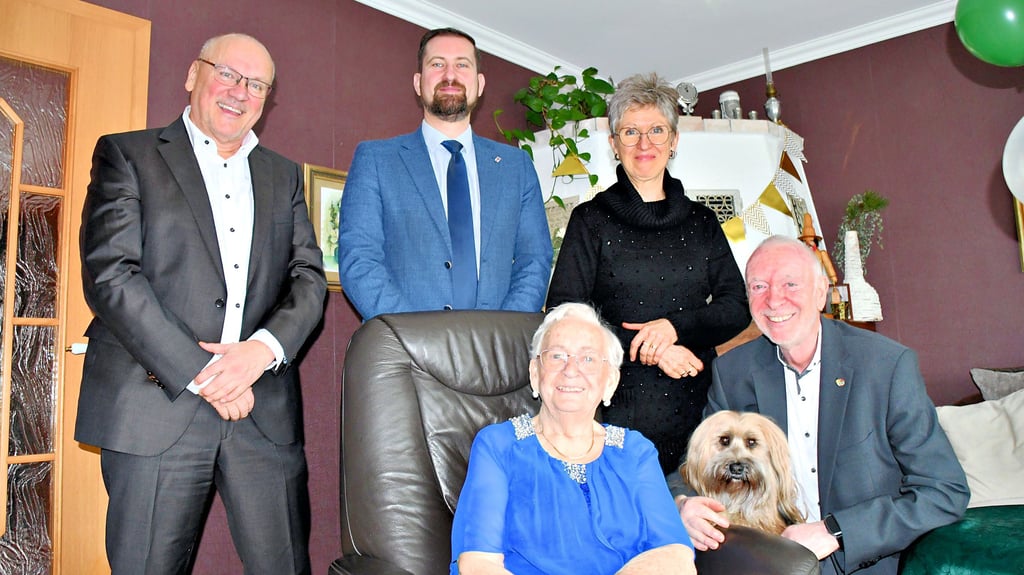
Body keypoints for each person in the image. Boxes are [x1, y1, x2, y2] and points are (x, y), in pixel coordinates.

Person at [76, 33, 326, 574]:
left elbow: (307, 277)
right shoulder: (128, 154)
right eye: (229, 74)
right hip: (154, 405)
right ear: (194, 74)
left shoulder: (283, 175)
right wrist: (207, 372)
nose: (240, 92)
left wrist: (261, 352)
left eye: (257, 84)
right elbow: (111, 276)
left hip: (263, 410)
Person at [676, 235, 968, 575]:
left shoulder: (885, 366)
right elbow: (693, 468)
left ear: (821, 293)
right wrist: (683, 504)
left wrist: (836, 531)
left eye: (790, 283)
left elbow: (944, 490)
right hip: (767, 557)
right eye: (759, 286)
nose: (774, 300)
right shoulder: (733, 371)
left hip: (862, 563)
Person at [546, 73, 750, 474]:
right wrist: (653, 347)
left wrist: (674, 329)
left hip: (700, 410)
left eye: (657, 130)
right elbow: (562, 314)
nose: (644, 144)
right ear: (613, 144)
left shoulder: (702, 221)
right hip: (614, 408)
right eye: (631, 132)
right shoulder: (590, 220)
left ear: (674, 141)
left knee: (698, 527)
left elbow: (736, 306)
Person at [451, 303, 695, 575]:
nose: (571, 369)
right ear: (535, 373)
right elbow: (478, 563)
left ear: (610, 381)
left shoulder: (636, 452)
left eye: (588, 359)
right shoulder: (498, 446)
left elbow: (674, 554)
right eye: (557, 356)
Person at [337, 27, 552, 320]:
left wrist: (500, 335)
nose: (450, 74)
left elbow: (534, 261)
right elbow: (359, 261)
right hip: (406, 354)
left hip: (496, 354)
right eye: (437, 64)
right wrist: (417, 338)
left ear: (479, 84)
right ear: (418, 82)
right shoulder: (376, 160)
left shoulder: (517, 167)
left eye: (462, 64)